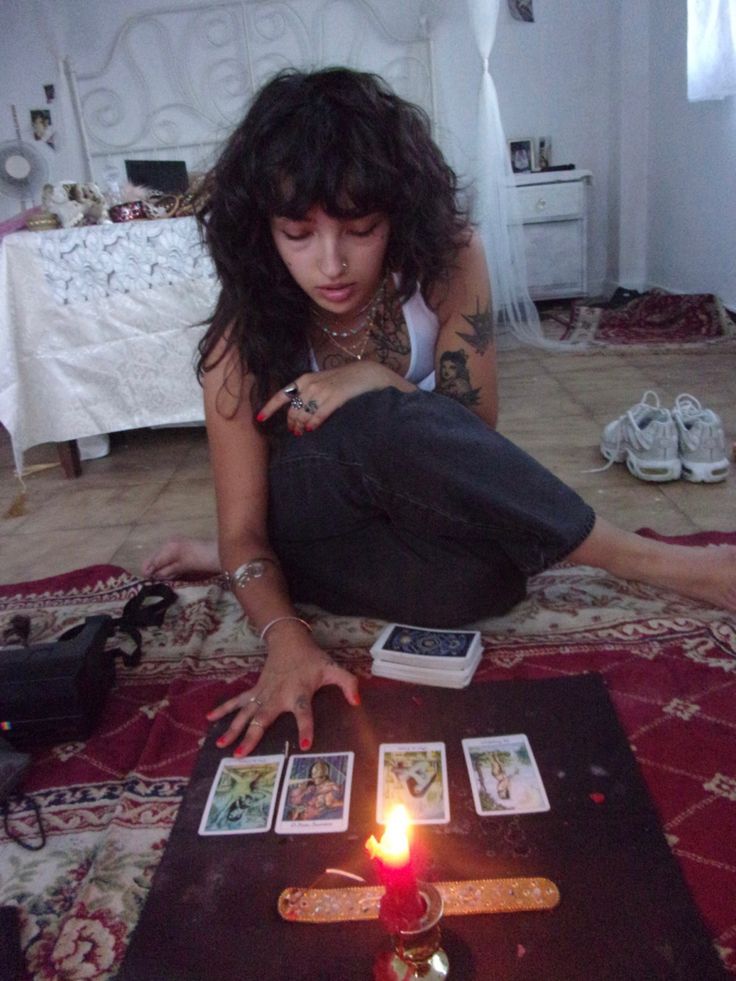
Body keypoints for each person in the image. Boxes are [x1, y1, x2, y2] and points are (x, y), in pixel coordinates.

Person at [143, 67, 736, 759]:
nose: (330, 263)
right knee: (372, 424)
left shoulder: (449, 260)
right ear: (262, 231)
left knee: (490, 583)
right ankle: (660, 563)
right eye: (298, 234)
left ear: (396, 211)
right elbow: (246, 528)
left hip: (397, 517)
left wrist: (373, 375)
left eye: (359, 228)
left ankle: (261, 554)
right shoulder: (237, 341)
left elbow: (470, 434)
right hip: (308, 508)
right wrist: (286, 637)